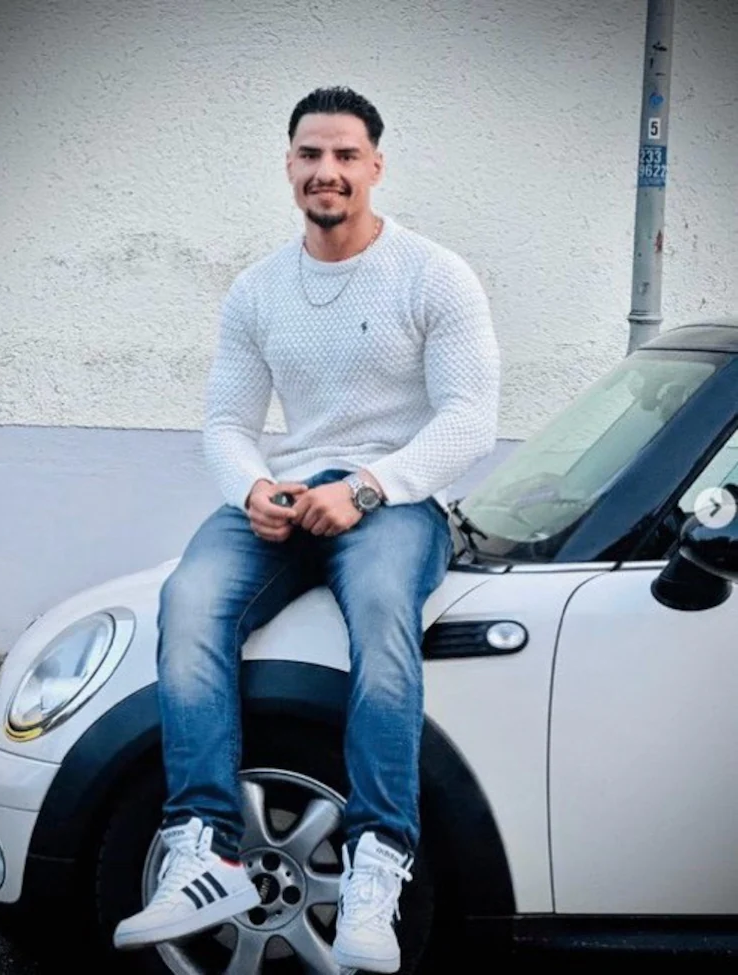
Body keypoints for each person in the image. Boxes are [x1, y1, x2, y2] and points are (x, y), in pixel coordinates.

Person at [114, 85, 500, 973]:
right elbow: (227, 421)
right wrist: (252, 486)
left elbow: (469, 419)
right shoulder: (258, 289)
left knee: (382, 617)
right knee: (190, 599)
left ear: (376, 166)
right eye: (310, 154)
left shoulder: (434, 274)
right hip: (286, 496)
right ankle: (206, 851)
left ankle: (376, 866)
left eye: (345, 155)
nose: (327, 171)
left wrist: (369, 485)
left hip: (394, 503)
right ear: (288, 165)